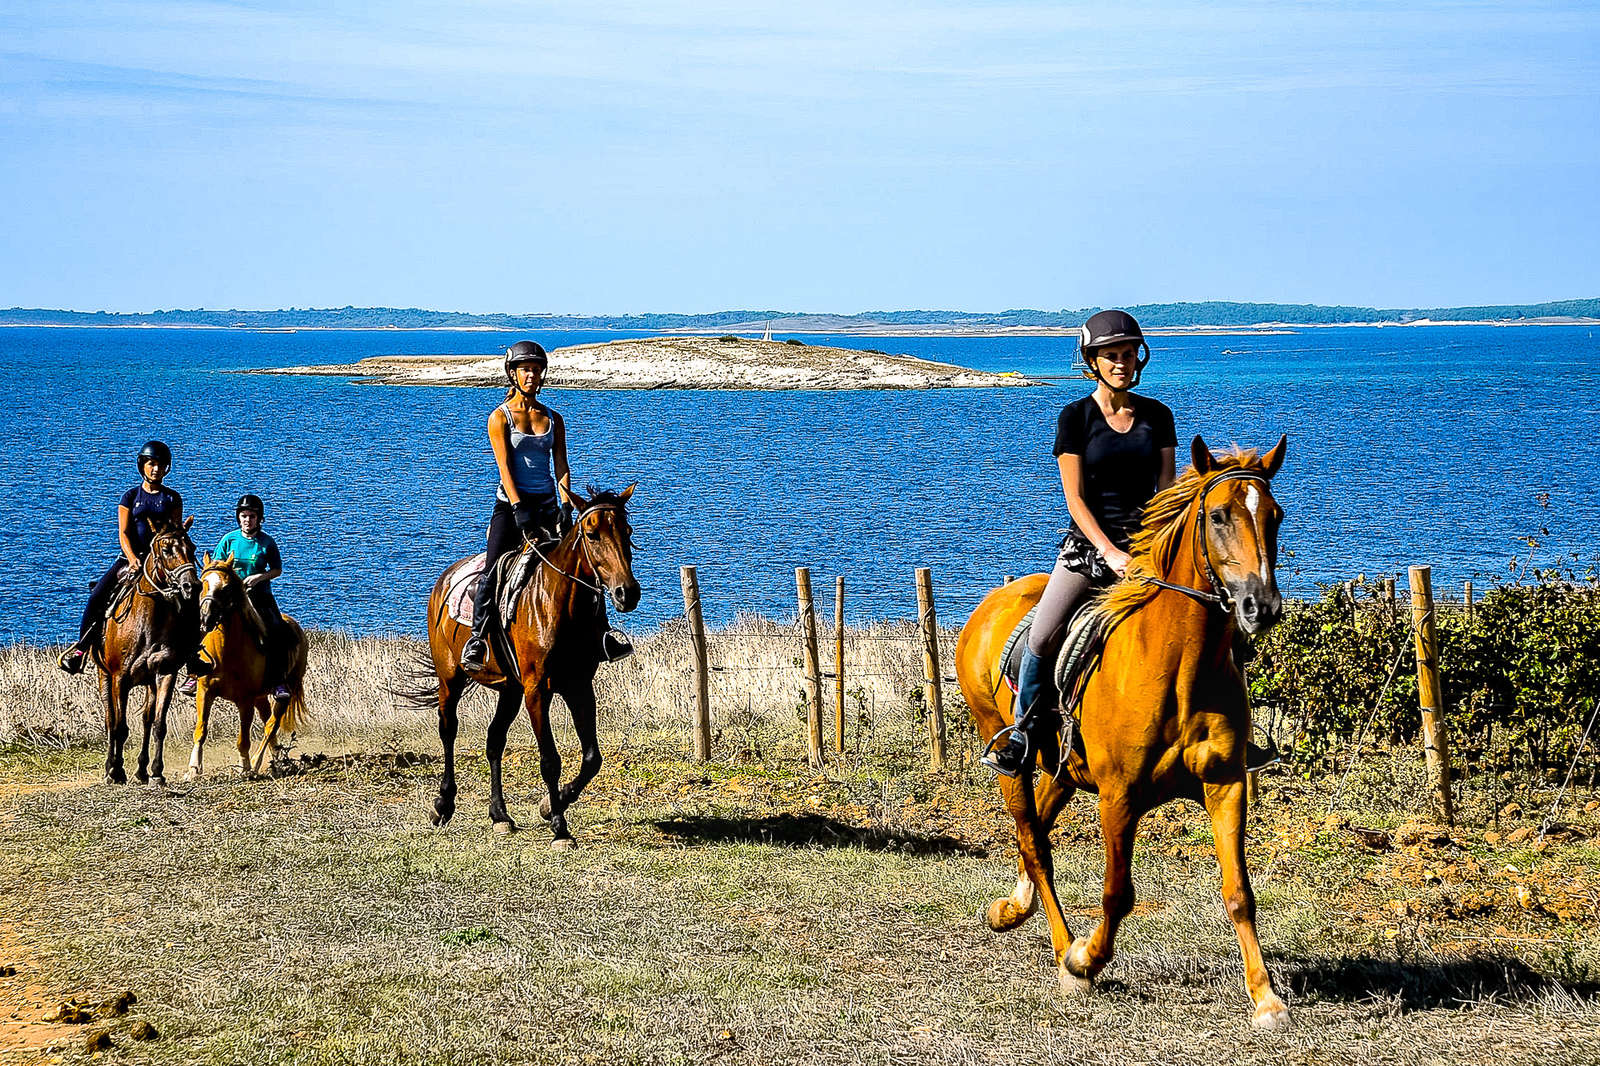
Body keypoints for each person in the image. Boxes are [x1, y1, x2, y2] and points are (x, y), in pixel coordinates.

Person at [981, 310, 1177, 776]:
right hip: (1089, 552)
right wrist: (1110, 552)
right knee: (1043, 634)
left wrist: (1152, 550)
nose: (1122, 363)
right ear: (1092, 360)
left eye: (1129, 354)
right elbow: (1075, 500)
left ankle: (1231, 729)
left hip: (1148, 551)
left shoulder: (1158, 416)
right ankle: (1023, 732)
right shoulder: (1076, 418)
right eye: (1112, 355)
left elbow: (1167, 492)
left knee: (1208, 618)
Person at [459, 342, 570, 673]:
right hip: (511, 509)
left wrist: (566, 503)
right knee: (492, 571)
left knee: (583, 566)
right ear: (513, 373)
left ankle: (603, 634)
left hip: (549, 506)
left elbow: (561, 464)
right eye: (525, 369)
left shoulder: (554, 418)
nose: (532, 375)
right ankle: (477, 638)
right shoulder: (500, 418)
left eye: (536, 369)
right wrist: (519, 507)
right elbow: (504, 468)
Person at [58, 441, 202, 675]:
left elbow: (175, 533)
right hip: (131, 559)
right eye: (151, 464)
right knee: (97, 596)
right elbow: (123, 533)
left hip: (162, 563)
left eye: (161, 465)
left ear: (167, 468)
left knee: (190, 599)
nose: (156, 469)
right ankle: (82, 648)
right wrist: (133, 558)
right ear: (142, 466)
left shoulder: (173, 499)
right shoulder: (130, 497)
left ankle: (192, 656)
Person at [213, 494, 293, 701]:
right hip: (230, 596)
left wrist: (260, 577)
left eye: (251, 516)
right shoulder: (229, 539)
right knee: (204, 622)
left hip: (259, 595)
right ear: (238, 517)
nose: (247, 520)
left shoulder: (266, 543)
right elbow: (216, 566)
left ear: (259, 519)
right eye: (244, 516)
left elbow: (277, 570)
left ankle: (278, 681)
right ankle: (196, 673)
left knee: (277, 629)